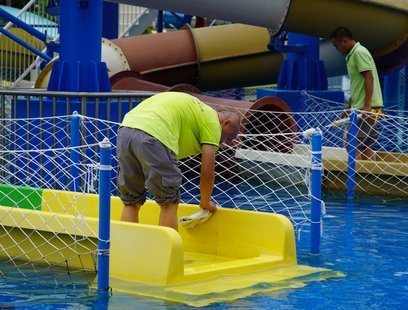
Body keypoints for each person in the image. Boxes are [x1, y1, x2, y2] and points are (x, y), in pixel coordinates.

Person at [116, 91, 241, 231]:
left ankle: (128, 250)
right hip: (154, 133)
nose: (224, 143)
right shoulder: (213, 122)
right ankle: (166, 252)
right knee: (169, 202)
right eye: (229, 138)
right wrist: (205, 202)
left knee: (131, 200)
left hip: (126, 130)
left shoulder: (198, 111)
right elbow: (207, 172)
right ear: (226, 123)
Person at [330, 27, 384, 160]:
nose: (337, 49)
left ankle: (357, 179)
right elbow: (357, 86)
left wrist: (366, 107)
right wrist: (349, 108)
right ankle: (371, 178)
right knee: (366, 146)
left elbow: (369, 77)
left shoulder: (358, 53)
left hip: (365, 109)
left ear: (344, 40)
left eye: (336, 46)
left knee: (352, 145)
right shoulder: (352, 55)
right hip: (364, 108)